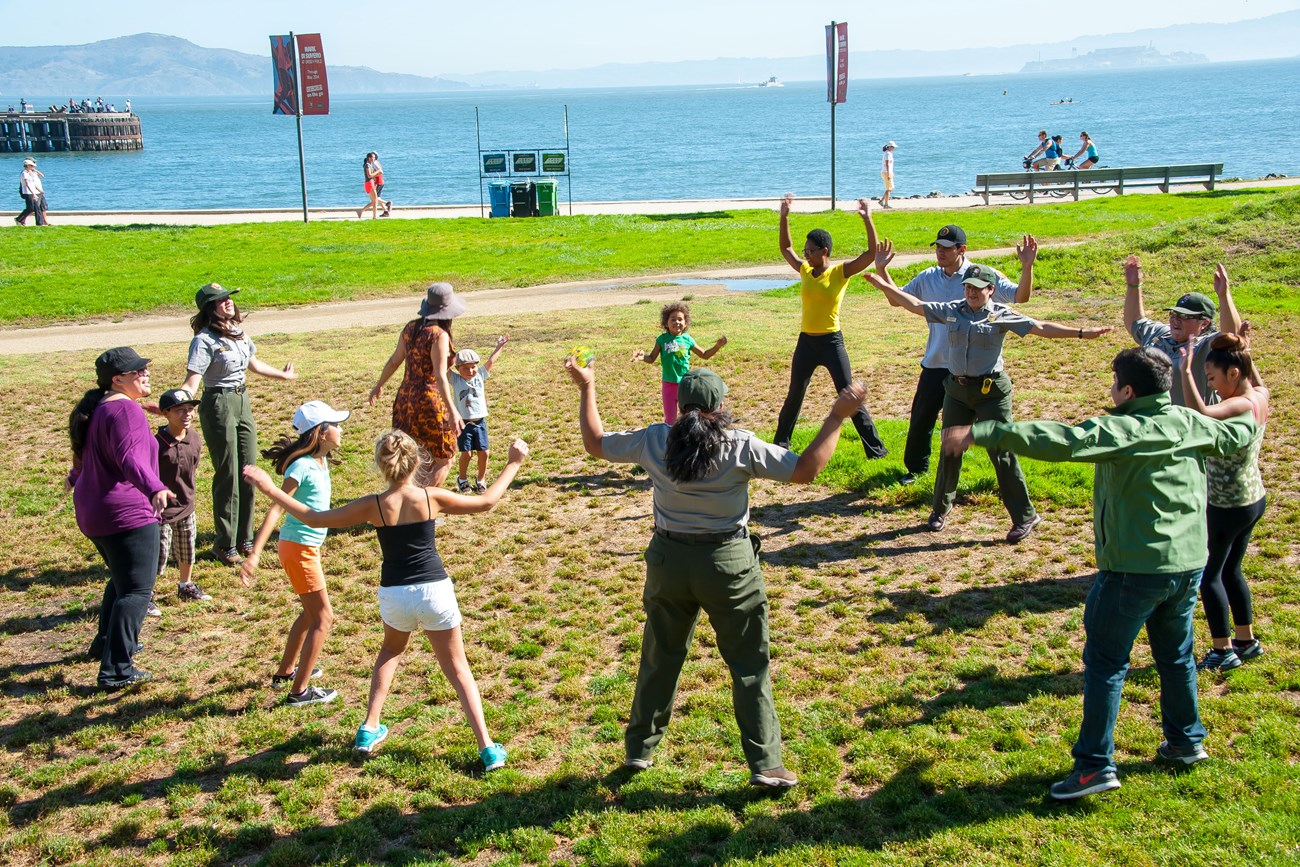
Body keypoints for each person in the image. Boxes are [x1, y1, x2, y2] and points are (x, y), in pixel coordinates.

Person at [941, 347, 1256, 799]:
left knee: (1106, 665)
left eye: (1114, 384)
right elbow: (1239, 431)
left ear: (1128, 391)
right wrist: (1256, 397)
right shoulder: (1190, 422)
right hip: (1187, 566)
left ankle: (1093, 767)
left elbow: (1062, 441)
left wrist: (984, 430)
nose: (1111, 391)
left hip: (1132, 571)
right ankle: (1186, 741)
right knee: (1176, 656)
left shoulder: (1123, 429)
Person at [566, 359, 869, 788]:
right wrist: (837, 417)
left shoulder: (656, 440)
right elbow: (806, 471)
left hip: (668, 562)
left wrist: (588, 386)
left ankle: (639, 751)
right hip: (729, 566)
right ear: (721, 404)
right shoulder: (739, 444)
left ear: (679, 406)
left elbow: (595, 443)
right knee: (748, 665)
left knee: (660, 656)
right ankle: (765, 764)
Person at [244, 429, 529, 766]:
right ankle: (487, 747)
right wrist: (512, 464)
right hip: (434, 591)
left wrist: (269, 488)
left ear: (382, 466)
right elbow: (486, 501)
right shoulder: (431, 497)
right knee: (457, 667)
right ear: (417, 462)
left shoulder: (373, 505)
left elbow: (313, 517)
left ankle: (369, 726)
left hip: (395, 593)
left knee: (391, 650)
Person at [865, 250, 1111, 542]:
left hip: (991, 393)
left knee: (1001, 452)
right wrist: (884, 286)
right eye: (967, 287)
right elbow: (916, 305)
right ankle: (939, 510)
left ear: (990, 290)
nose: (970, 292)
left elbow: (1042, 328)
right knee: (950, 447)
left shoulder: (1001, 315)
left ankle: (1025, 516)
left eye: (977, 288)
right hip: (956, 390)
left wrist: (1083, 332)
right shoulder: (953, 309)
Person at [877, 223, 1036, 486]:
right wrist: (882, 270)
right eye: (938, 246)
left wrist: (1027, 266)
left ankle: (1002, 477)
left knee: (987, 428)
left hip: (971, 371)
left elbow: (1021, 296)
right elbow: (899, 299)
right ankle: (916, 470)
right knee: (921, 419)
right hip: (936, 362)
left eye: (947, 248)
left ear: (962, 249)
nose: (940, 252)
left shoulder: (983, 277)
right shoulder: (928, 277)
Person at [67, 347, 175, 690]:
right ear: (118, 380)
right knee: (138, 591)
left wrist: (73, 478)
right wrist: (155, 486)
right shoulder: (125, 410)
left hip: (94, 511)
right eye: (137, 371)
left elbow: (91, 455)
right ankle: (117, 669)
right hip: (125, 513)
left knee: (121, 579)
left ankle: (105, 644)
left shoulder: (101, 407)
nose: (145, 374)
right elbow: (130, 457)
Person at [240, 401, 351, 707]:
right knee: (323, 617)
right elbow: (276, 507)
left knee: (310, 613)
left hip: (305, 549)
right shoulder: (301, 466)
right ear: (321, 432)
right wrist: (255, 554)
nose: (341, 429)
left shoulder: (319, 460)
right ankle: (299, 692)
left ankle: (286, 672)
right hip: (299, 550)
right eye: (336, 424)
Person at [181, 283, 297, 565]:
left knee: (248, 468)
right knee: (228, 472)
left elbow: (254, 365)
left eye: (228, 298)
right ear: (210, 309)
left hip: (242, 401)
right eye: (220, 301)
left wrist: (282, 376)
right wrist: (179, 405)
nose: (228, 303)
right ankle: (224, 543)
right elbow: (192, 381)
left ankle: (245, 538)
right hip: (218, 404)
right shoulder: (204, 340)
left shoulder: (239, 333)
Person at [1178, 330, 1269, 671]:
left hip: (1226, 506)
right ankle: (1246, 641)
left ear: (1233, 374)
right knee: (1232, 570)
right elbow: (1250, 372)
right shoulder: (1261, 395)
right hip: (1253, 498)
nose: (1212, 386)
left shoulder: (1240, 405)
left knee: (1209, 575)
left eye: (1213, 378)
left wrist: (1186, 371)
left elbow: (1200, 413)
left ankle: (1222, 650)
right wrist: (1245, 349)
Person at [773, 193, 887, 458]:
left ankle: (876, 450)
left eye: (811, 251)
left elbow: (870, 253)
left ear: (824, 251)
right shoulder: (804, 270)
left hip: (831, 342)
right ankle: (780, 445)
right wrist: (784, 216)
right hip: (806, 342)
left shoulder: (839, 273)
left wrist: (868, 218)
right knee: (794, 395)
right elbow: (785, 249)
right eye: (806, 251)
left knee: (849, 396)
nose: (806, 255)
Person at [369, 282, 465, 489]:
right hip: (430, 402)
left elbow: (395, 360)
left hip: (405, 400)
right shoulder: (439, 335)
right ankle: (421, 508)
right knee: (444, 459)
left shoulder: (411, 328)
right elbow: (439, 376)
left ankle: (405, 504)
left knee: (410, 458)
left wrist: (379, 385)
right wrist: (452, 411)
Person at [1123, 256, 1242, 407]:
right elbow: (1134, 322)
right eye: (1174, 315)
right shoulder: (1160, 334)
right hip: (1153, 424)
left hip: (1190, 425)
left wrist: (1224, 296)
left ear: (1204, 323)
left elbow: (1232, 335)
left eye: (1185, 316)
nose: (1175, 320)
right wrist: (1134, 286)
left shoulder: (1207, 346)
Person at [154, 388, 212, 611]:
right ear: (166, 413)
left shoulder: (194, 438)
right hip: (160, 512)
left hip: (186, 506)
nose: (187, 414)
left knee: (187, 548)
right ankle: (147, 594)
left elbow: (193, 467)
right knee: (158, 554)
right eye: (180, 411)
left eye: (190, 410)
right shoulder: (156, 443)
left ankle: (185, 585)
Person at [633, 302, 727, 424]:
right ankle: (670, 439)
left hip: (686, 385)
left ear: (685, 322)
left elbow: (704, 355)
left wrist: (717, 346)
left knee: (689, 417)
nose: (677, 322)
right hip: (668, 385)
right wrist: (642, 357)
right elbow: (651, 358)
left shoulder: (687, 339)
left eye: (680, 319)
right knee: (670, 420)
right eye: (673, 319)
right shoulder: (662, 340)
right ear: (666, 323)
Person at [451, 335, 509, 493]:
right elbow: (442, 368)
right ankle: (462, 478)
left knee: (484, 453)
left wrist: (499, 346)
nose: (470, 371)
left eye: (473, 367)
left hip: (479, 422)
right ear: (457, 369)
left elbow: (491, 362)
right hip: (463, 423)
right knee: (467, 454)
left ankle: (481, 479)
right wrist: (447, 353)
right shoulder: (456, 380)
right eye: (465, 368)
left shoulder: (480, 376)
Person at [357, 152, 391, 219]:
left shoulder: (370, 165)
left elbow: (371, 175)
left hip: (371, 183)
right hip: (369, 183)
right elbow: (369, 175)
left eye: (374, 157)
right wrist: (378, 172)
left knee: (375, 201)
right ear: (369, 158)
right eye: (373, 157)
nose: (374, 158)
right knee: (375, 200)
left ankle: (364, 212)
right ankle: (371, 215)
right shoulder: (367, 165)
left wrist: (377, 173)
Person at [16, 158, 48, 227]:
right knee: (31, 208)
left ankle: (20, 219)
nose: (33, 167)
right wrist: (34, 194)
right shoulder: (24, 173)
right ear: (27, 165)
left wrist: (39, 190)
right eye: (31, 165)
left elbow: (34, 182)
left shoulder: (30, 173)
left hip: (33, 192)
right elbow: (27, 184)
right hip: (28, 193)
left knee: (34, 207)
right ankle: (19, 219)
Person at [879, 141, 896, 208]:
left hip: (888, 172)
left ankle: (882, 201)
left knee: (890, 188)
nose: (893, 148)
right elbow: (887, 164)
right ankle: (886, 204)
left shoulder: (889, 153)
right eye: (893, 147)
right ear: (889, 147)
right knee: (889, 189)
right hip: (886, 172)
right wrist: (889, 174)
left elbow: (890, 165)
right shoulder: (887, 154)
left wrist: (892, 173)